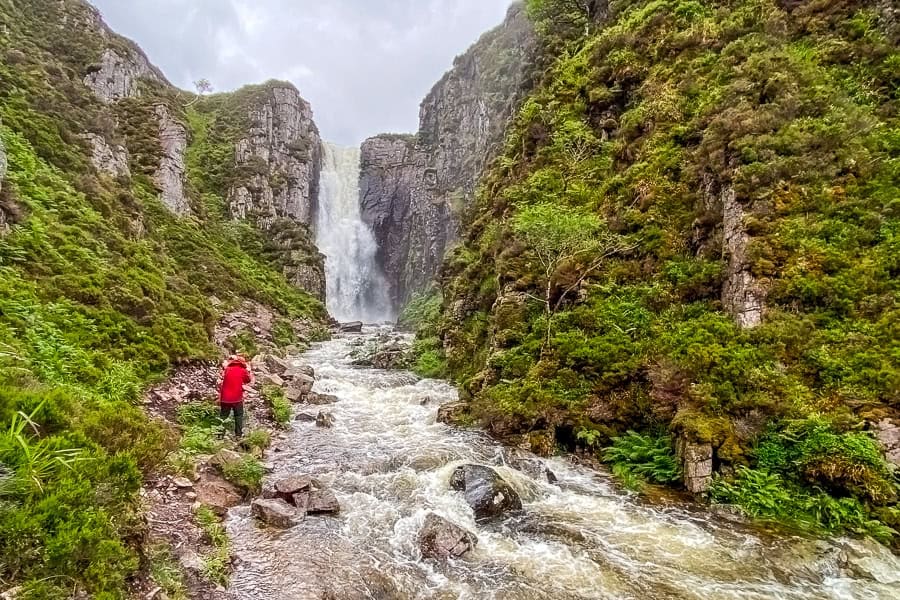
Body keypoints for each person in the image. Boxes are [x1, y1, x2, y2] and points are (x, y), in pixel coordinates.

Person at [219, 355, 253, 438]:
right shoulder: (242, 370)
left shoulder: (227, 369)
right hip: (237, 398)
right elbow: (248, 380)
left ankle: (220, 435)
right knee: (238, 416)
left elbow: (223, 377)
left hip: (225, 398)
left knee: (223, 416)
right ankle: (238, 435)